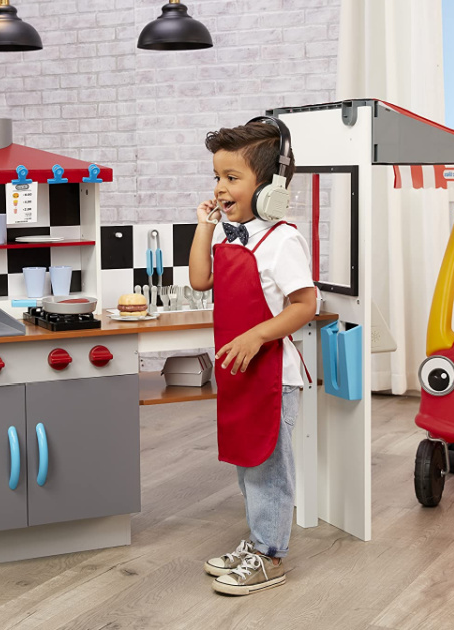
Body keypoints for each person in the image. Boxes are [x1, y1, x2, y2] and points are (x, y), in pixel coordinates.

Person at [188, 117, 316, 596]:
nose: (221, 188)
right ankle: (259, 541)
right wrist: (205, 225)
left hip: (273, 376)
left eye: (232, 178)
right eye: (217, 177)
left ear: (271, 185)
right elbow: (201, 280)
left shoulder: (282, 240)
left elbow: (306, 304)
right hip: (240, 373)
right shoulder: (228, 233)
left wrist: (256, 337)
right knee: (249, 465)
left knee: (270, 469)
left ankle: (271, 556)